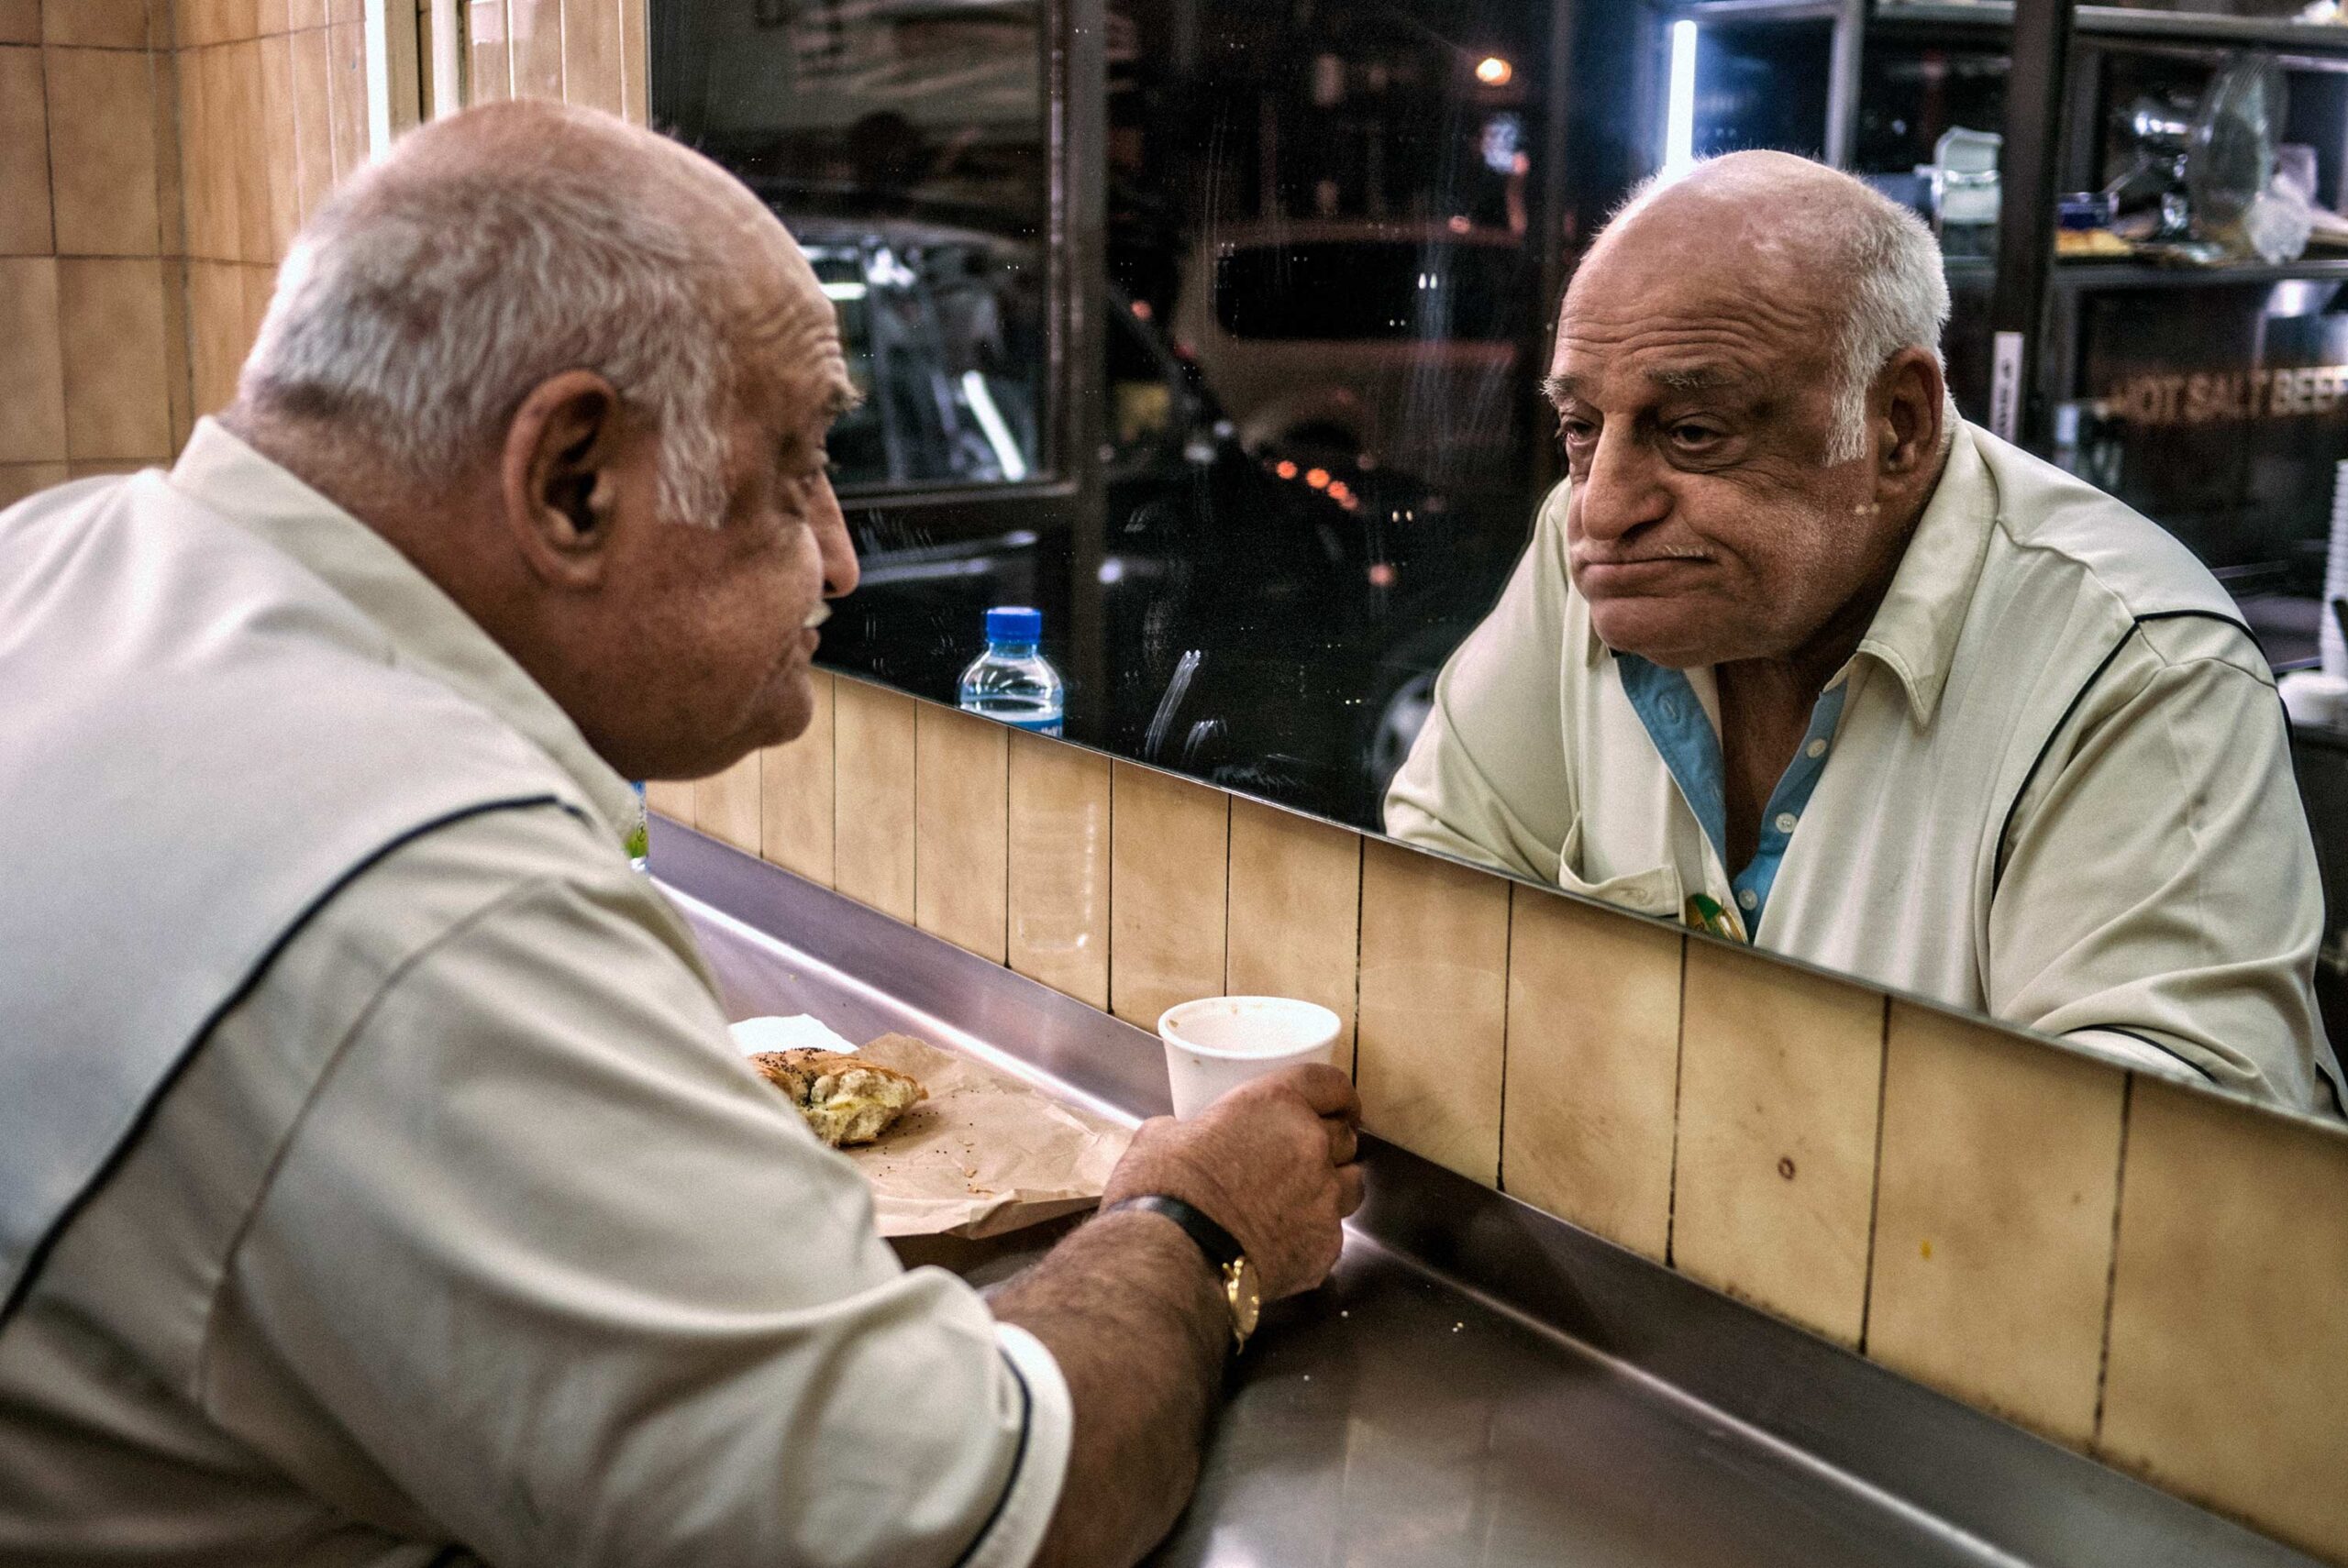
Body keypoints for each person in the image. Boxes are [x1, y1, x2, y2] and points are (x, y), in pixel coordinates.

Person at [0, 100, 1362, 1566]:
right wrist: (1195, 1221)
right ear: (572, 477)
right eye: (793, 466)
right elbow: (953, 1518)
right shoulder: (431, 905)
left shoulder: (62, 558)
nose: (838, 555)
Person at [1385, 150, 2341, 1114]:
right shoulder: (1586, 550)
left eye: (1694, 433)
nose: (1602, 507)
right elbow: (1436, 900)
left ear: (1898, 425)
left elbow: (2150, 1170)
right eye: (1581, 427)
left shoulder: (2139, 671)